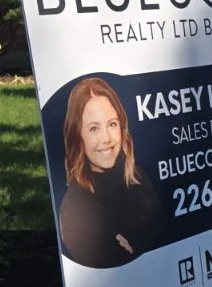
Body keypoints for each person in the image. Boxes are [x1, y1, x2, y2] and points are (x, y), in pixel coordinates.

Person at [59, 77, 163, 268]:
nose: (106, 138)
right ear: (77, 136)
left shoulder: (137, 177)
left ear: (122, 128)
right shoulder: (75, 208)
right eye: (94, 129)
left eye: (112, 124)